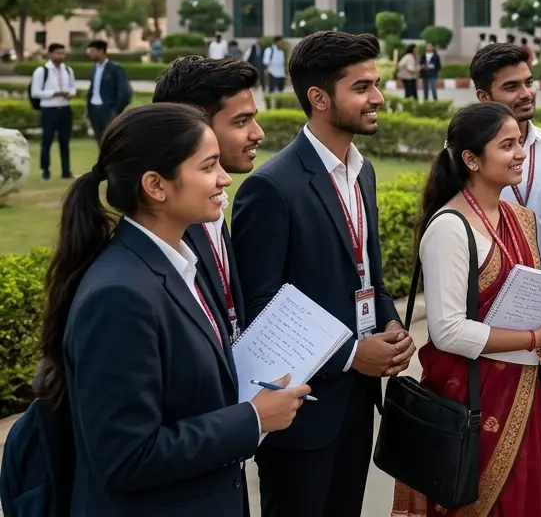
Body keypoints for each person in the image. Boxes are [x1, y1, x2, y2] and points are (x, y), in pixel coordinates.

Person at [39, 103, 309, 515]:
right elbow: (126, 455)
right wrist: (251, 419)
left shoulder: (179, 265)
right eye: (208, 166)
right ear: (156, 185)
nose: (223, 179)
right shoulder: (119, 295)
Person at [233, 30, 416, 516]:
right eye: (361, 87)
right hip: (300, 411)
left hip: (357, 404)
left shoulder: (364, 170)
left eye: (376, 84)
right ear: (318, 98)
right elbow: (259, 308)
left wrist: (391, 324)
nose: (378, 98)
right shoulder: (271, 188)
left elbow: (366, 274)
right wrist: (353, 354)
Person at [389, 102, 541, 516]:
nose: (521, 154)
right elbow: (447, 331)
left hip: (523, 395)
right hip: (471, 401)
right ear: (471, 159)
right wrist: (533, 339)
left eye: (520, 143)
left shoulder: (519, 217)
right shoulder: (450, 228)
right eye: (506, 145)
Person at [152, 56, 266, 345]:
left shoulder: (213, 203)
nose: (258, 133)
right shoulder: (166, 228)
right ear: (191, 125)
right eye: (241, 121)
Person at [471, 42, 541, 258]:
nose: (526, 93)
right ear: (484, 97)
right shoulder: (469, 157)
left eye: (529, 82)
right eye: (511, 87)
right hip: (490, 285)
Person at [29, 43, 77, 181]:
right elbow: (35, 92)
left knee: (64, 141)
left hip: (65, 108)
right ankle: (45, 171)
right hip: (49, 109)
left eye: (63, 53)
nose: (61, 56)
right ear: (50, 54)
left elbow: (73, 87)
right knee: (47, 140)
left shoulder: (68, 70)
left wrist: (70, 93)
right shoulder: (41, 71)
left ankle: (66, 171)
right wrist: (54, 93)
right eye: (58, 53)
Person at [84, 39, 132, 142]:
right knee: (99, 140)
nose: (90, 54)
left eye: (92, 51)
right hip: (94, 110)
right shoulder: (93, 69)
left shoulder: (115, 68)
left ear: (101, 51)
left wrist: (116, 111)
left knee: (110, 141)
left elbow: (125, 92)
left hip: (108, 110)